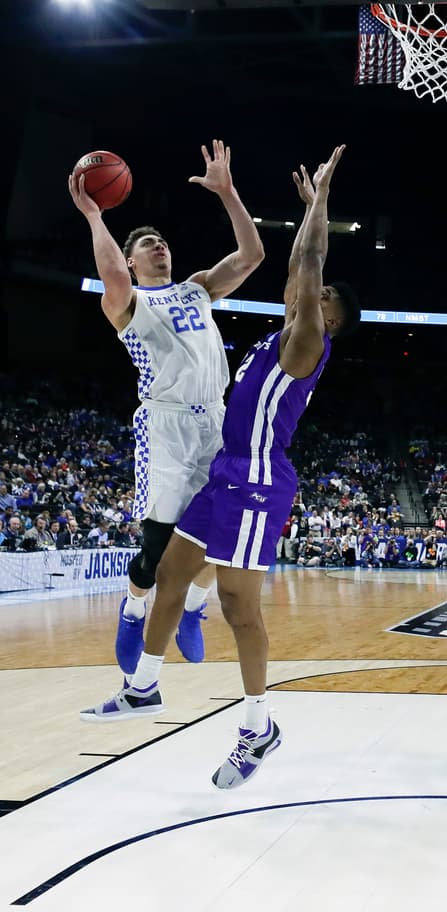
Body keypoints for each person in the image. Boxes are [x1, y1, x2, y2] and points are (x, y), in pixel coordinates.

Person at [81, 146, 361, 792]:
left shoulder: (305, 342)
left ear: (331, 322)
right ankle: (143, 687)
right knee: (173, 571)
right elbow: (296, 265)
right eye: (311, 294)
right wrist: (294, 212)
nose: (311, 294)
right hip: (222, 466)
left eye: (323, 300)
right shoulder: (287, 321)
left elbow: (310, 259)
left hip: (259, 480)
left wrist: (320, 202)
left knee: (241, 609)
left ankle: (257, 727)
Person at [68, 139, 266, 674]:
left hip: (217, 421)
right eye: (147, 244)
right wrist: (94, 215)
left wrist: (227, 193)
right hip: (167, 426)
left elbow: (252, 256)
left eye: (161, 241)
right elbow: (110, 275)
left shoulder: (198, 289)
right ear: (132, 260)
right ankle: (134, 609)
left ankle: (193, 610)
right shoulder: (127, 302)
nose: (159, 246)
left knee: (221, 535)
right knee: (158, 551)